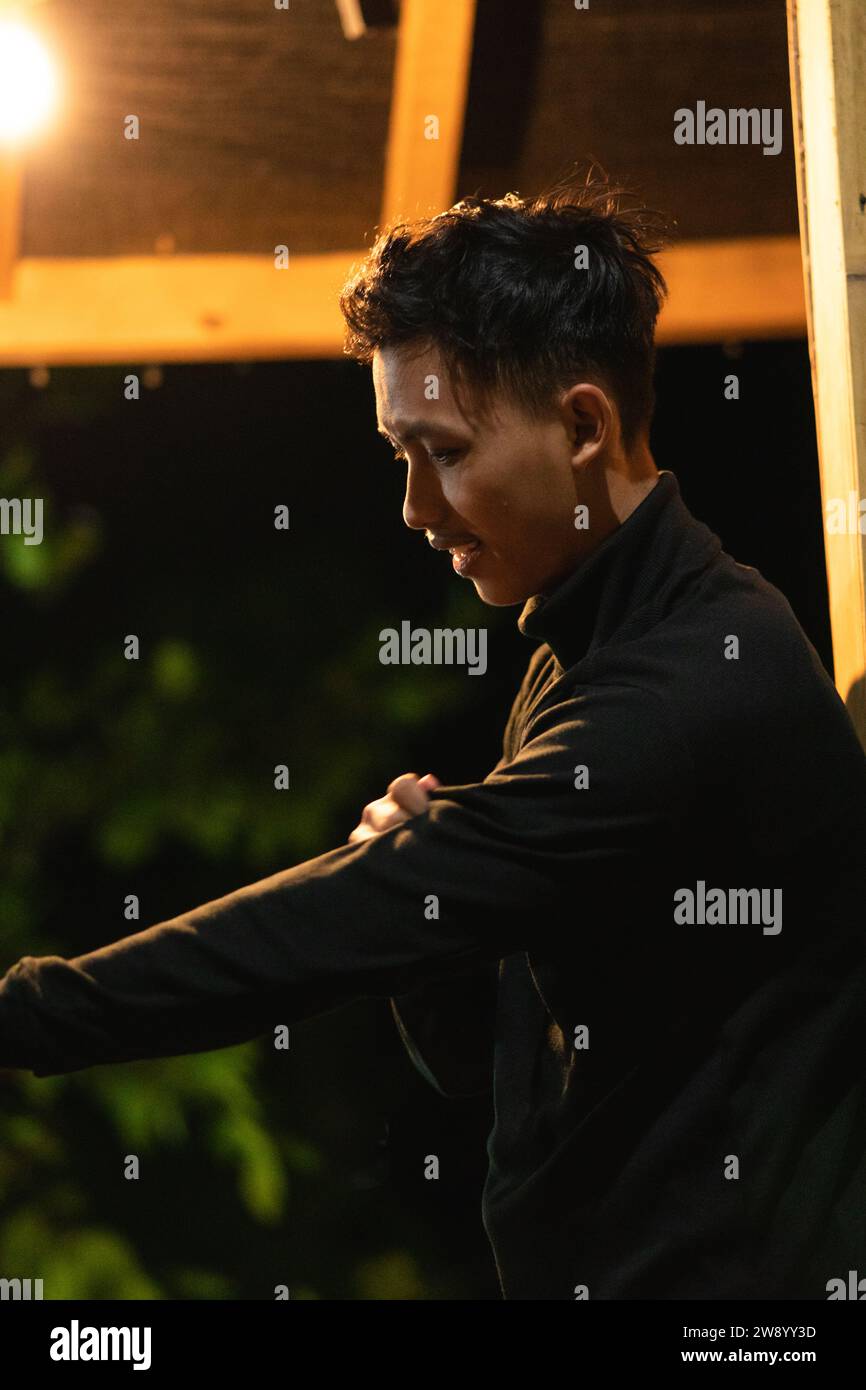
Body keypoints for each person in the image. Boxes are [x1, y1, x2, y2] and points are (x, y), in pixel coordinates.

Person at [2, 176, 865, 1300]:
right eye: (397, 453)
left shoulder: (691, 683)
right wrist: (440, 904)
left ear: (583, 426)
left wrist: (26, 1014)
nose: (414, 506)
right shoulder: (585, 644)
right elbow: (480, 1068)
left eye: (444, 452)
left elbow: (324, 930)